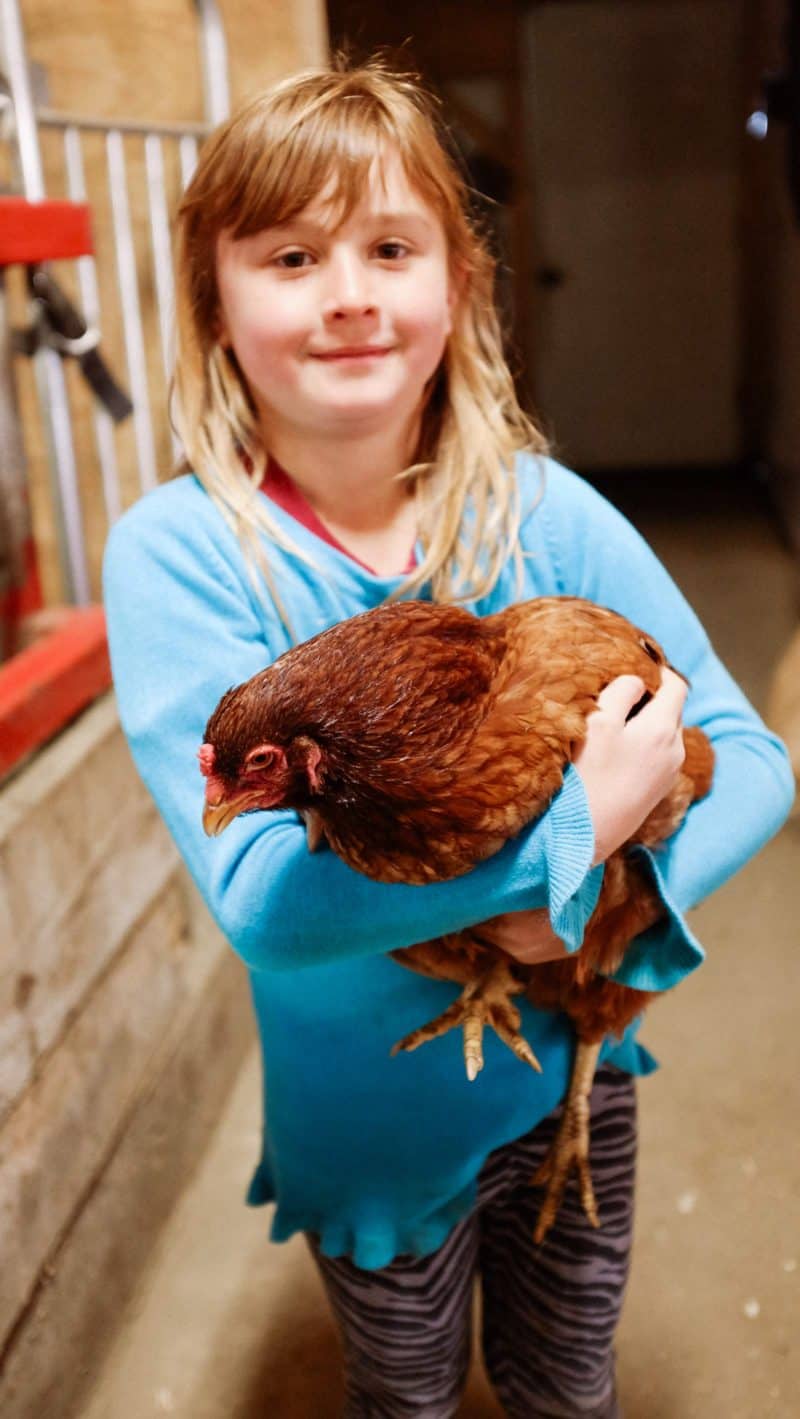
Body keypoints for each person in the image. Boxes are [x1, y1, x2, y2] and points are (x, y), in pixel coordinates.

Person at [103, 56, 794, 1419]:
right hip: (368, 1109)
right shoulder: (179, 560)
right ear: (216, 305)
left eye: (392, 246)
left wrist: (618, 891)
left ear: (459, 283)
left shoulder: (550, 517)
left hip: (576, 1068)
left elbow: (751, 760)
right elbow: (265, 907)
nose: (351, 291)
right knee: (405, 1391)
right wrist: (570, 844)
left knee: (566, 1380)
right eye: (293, 255)